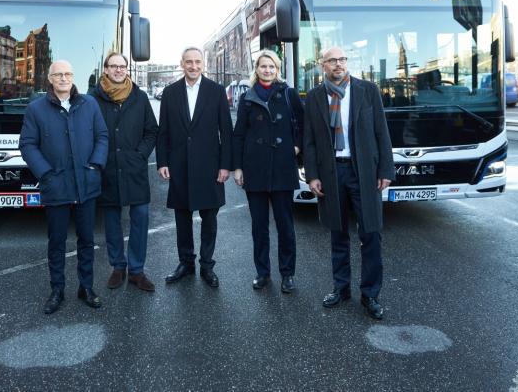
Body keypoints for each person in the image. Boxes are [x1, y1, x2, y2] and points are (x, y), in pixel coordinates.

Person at [304, 47, 394, 320]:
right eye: (333, 61)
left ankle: (370, 294)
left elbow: (382, 132)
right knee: (337, 233)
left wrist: (385, 170)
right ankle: (341, 288)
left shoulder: (368, 91)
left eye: (343, 60)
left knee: (371, 233)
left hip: (363, 172)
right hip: (332, 173)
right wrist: (312, 175)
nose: (339, 65)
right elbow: (309, 140)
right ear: (323, 66)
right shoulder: (315, 97)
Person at [19, 60, 109, 314]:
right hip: (56, 184)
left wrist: (96, 164)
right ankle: (57, 289)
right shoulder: (36, 109)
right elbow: (27, 144)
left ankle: (86, 287)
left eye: (68, 73)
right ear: (49, 78)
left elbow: (102, 136)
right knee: (56, 241)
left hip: (86, 182)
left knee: (87, 239)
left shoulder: (89, 104)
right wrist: (45, 173)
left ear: (73, 76)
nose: (63, 78)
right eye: (58, 74)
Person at [156, 47, 233, 287]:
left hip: (209, 167)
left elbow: (226, 132)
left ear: (203, 64)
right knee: (183, 218)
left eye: (197, 62)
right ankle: (186, 263)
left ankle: (207, 266)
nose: (193, 66)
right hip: (179, 165)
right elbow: (163, 131)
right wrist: (162, 162)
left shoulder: (216, 91)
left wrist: (225, 166)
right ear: (182, 64)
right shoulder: (170, 93)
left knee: (209, 218)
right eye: (188, 62)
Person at [232, 50, 303, 293]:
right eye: (263, 66)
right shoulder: (248, 98)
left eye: (272, 66)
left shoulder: (288, 94)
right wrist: (238, 167)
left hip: (283, 168)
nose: (267, 70)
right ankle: (263, 273)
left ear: (277, 69)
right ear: (257, 69)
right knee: (259, 226)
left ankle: (288, 273)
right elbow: (238, 134)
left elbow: (302, 125)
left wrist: (295, 147)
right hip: (255, 170)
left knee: (285, 225)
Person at [92, 52, 158, 292]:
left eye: (123, 66)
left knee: (140, 218)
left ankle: (137, 271)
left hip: (134, 168)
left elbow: (152, 130)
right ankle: (118, 267)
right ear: (106, 69)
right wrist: (97, 160)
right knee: (112, 221)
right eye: (114, 66)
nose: (119, 70)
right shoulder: (93, 98)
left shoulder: (139, 97)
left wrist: (140, 155)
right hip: (107, 168)